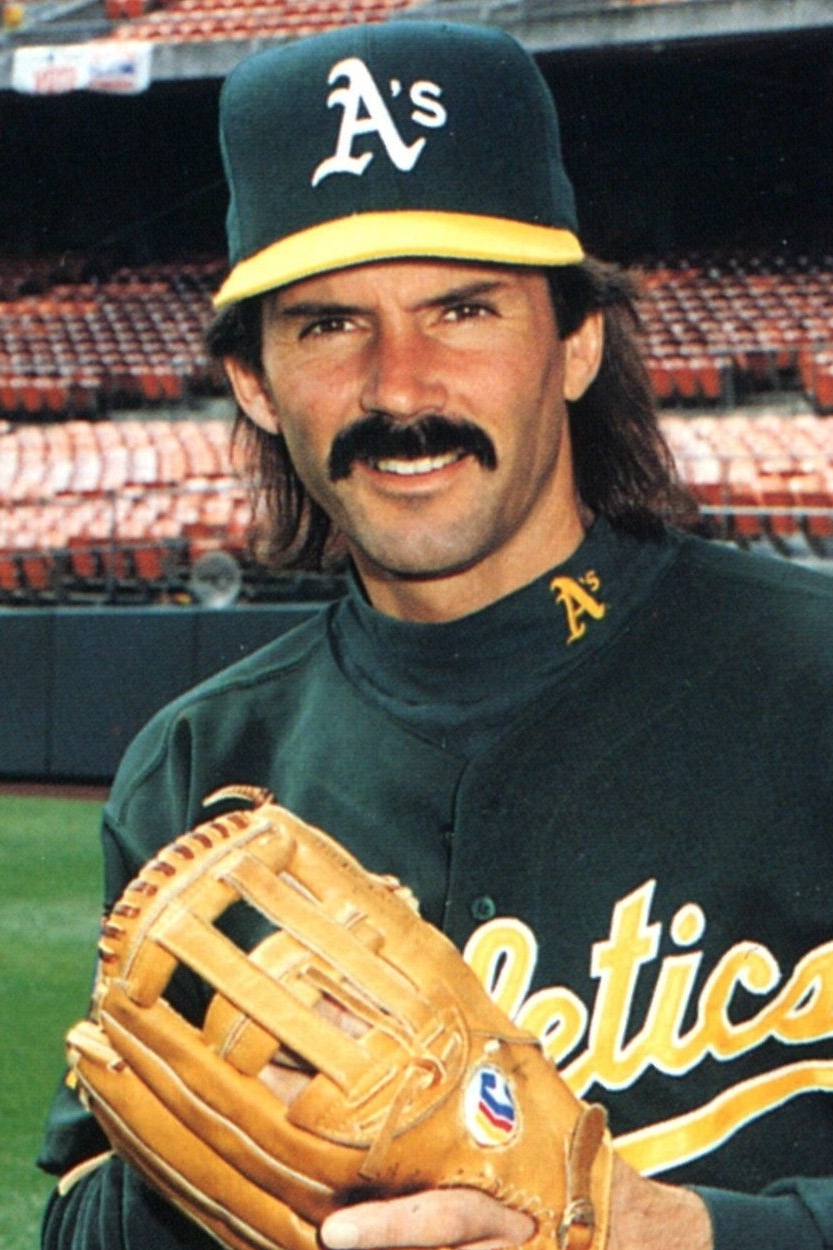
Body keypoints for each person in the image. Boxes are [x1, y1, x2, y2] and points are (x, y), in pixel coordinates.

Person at [39, 19, 833, 1250]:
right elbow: (76, 1208)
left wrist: (672, 1231)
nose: (399, 387)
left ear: (575, 342)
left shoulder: (809, 678)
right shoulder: (200, 772)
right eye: (327, 325)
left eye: (461, 310)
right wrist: (217, 1165)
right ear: (253, 381)